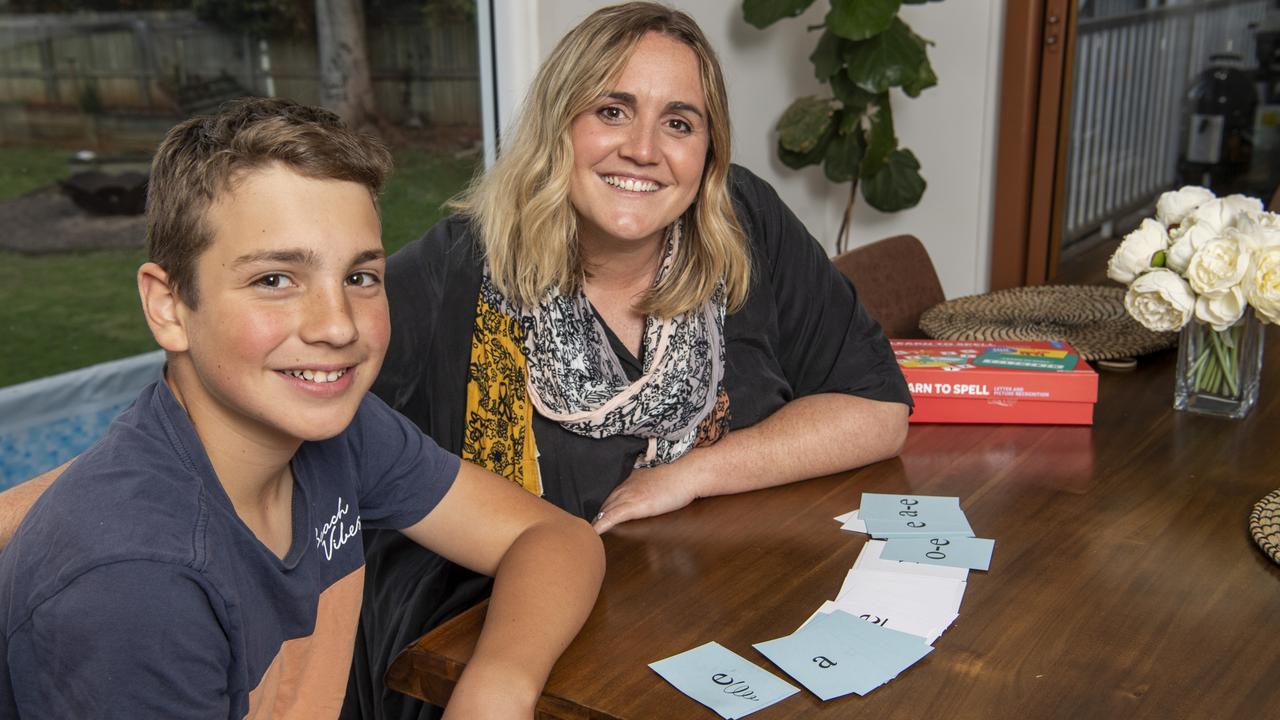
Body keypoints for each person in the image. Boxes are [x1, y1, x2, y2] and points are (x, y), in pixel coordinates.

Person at [345, 3, 912, 719]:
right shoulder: (455, 271)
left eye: (679, 122)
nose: (644, 149)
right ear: (559, 123)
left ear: (708, 149)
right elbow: (304, 407)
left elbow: (875, 409)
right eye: (612, 110)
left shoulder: (745, 223)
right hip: (496, 651)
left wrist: (695, 472)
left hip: (717, 616)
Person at [0, 98, 603, 719]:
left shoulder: (344, 432)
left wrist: (495, 687)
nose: (338, 327)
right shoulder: (136, 588)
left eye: (360, 277)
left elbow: (554, 537)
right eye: (275, 280)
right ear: (169, 306)